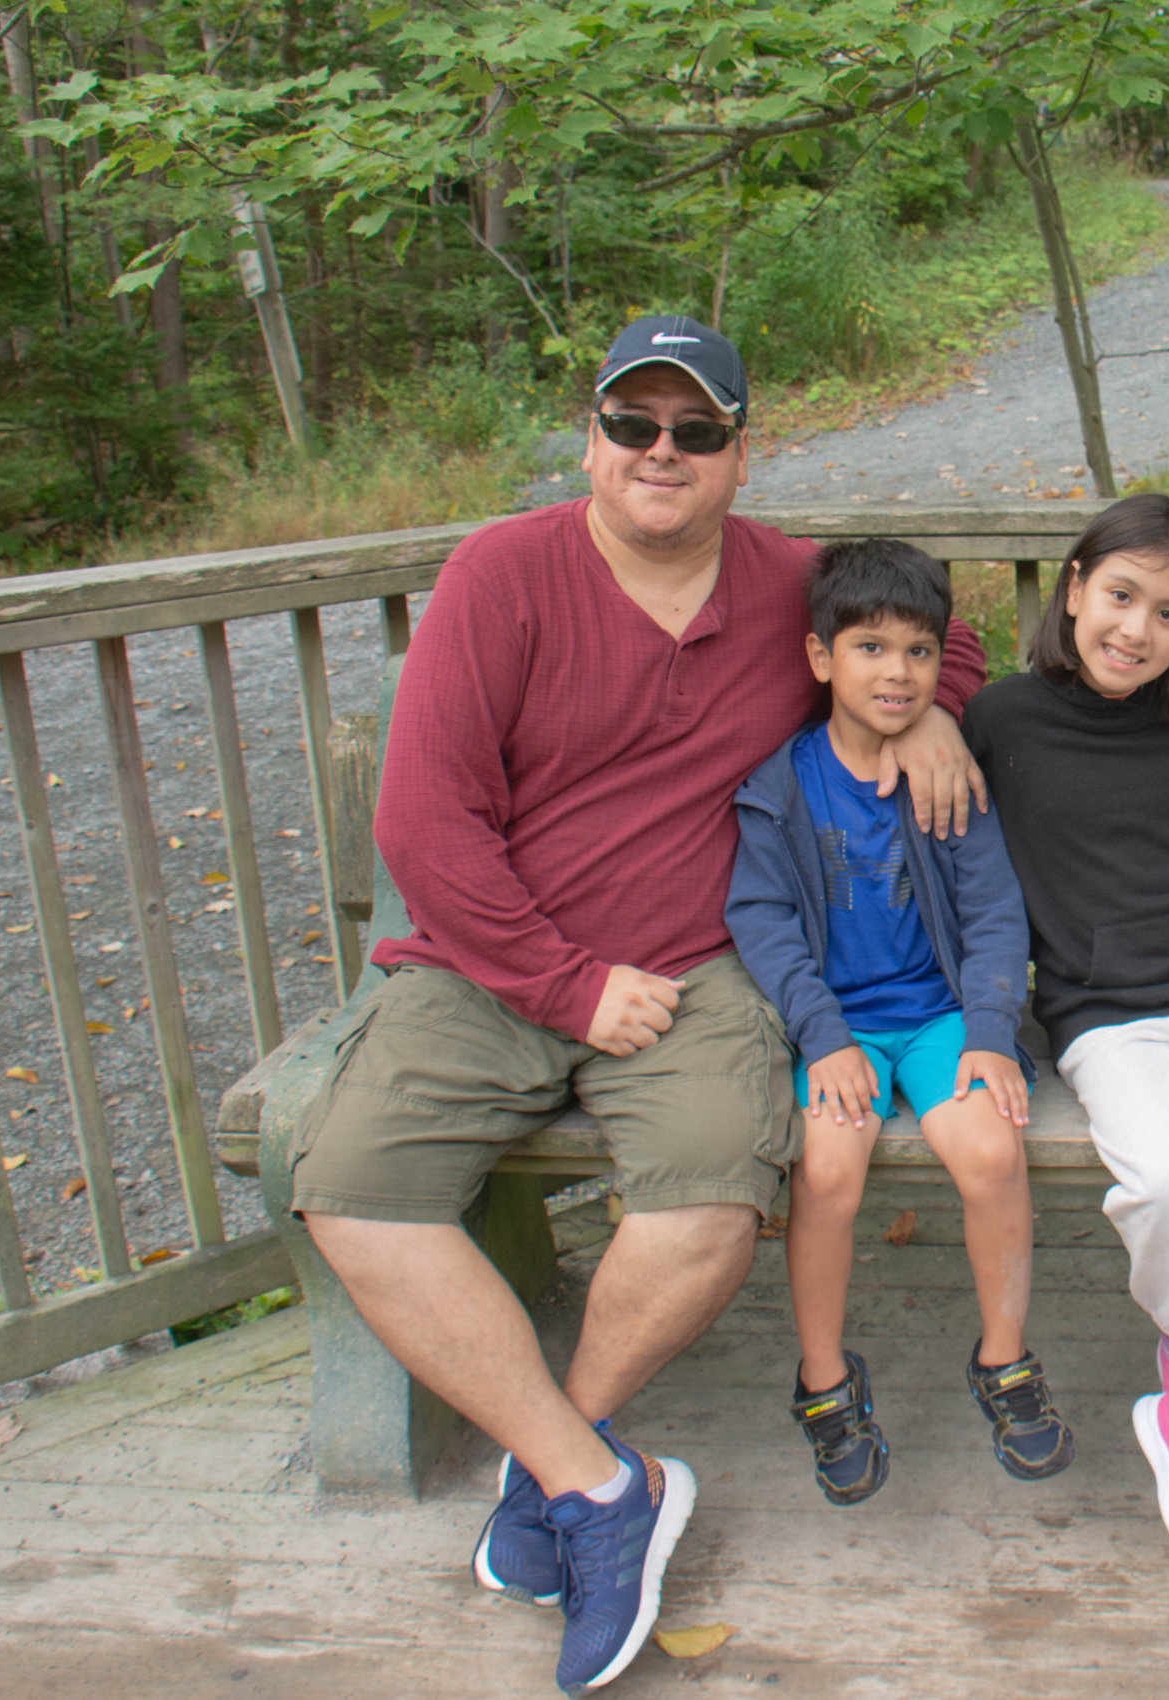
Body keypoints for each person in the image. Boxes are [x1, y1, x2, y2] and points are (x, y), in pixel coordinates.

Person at [286, 316, 989, 1695]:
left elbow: (927, 649)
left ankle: (558, 1465)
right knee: (346, 1185)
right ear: (591, 437)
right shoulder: (503, 574)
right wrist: (555, 979)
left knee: (711, 1206)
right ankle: (600, 1486)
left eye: (697, 430)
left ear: (742, 450)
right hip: (491, 966)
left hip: (702, 962)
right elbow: (424, 820)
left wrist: (939, 710)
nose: (661, 452)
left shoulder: (788, 584)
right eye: (633, 424)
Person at [963, 493, 1169, 1571]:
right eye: (1119, 596)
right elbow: (907, 688)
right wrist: (926, 720)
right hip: (1101, 1008)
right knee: (1167, 1182)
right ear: (1073, 587)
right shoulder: (1004, 719)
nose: (1136, 630)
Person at [726, 538, 1073, 1504]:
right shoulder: (782, 790)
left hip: (940, 1018)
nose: (898, 673)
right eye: (871, 648)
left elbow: (998, 914)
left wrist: (993, 1035)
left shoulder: (947, 781)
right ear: (820, 658)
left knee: (992, 1153)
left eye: (920, 652)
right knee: (829, 1168)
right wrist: (823, 1034)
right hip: (838, 1028)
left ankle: (1003, 1359)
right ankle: (823, 1377)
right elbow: (761, 920)